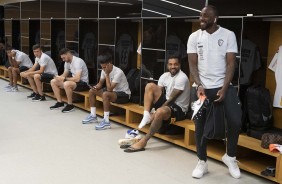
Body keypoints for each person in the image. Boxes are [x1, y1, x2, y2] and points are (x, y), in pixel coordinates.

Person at [187, 5, 242, 179]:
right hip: (202, 87)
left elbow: (231, 64)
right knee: (200, 126)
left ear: (215, 19)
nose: (201, 19)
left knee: (235, 120)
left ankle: (230, 157)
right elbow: (192, 64)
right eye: (200, 16)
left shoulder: (228, 35)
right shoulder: (194, 37)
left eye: (205, 17)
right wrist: (198, 84)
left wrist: (224, 88)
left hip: (224, 85)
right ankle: (202, 162)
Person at [124, 55, 190, 153]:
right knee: (150, 86)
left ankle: (144, 141)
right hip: (167, 102)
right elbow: (157, 94)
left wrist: (155, 113)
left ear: (179, 65)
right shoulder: (165, 76)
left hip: (179, 108)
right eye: (171, 64)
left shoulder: (182, 77)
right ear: (167, 65)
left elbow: (172, 99)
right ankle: (146, 115)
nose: (173, 66)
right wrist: (151, 111)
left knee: (159, 112)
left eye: (175, 64)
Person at [82, 49, 131, 130]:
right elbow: (100, 84)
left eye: (104, 67)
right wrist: (95, 87)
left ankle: (106, 121)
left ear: (109, 63)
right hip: (113, 93)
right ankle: (93, 115)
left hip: (124, 94)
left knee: (106, 94)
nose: (103, 69)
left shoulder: (118, 72)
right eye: (102, 67)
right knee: (91, 91)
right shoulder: (103, 70)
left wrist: (107, 74)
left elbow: (109, 89)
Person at [50, 48, 89, 113]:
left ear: (68, 54)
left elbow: (77, 78)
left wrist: (64, 79)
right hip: (74, 82)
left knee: (67, 84)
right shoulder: (67, 62)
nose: (63, 60)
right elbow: (65, 74)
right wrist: (58, 78)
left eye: (64, 58)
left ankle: (70, 105)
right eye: (62, 58)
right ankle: (59, 102)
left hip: (83, 83)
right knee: (53, 81)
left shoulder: (78, 61)